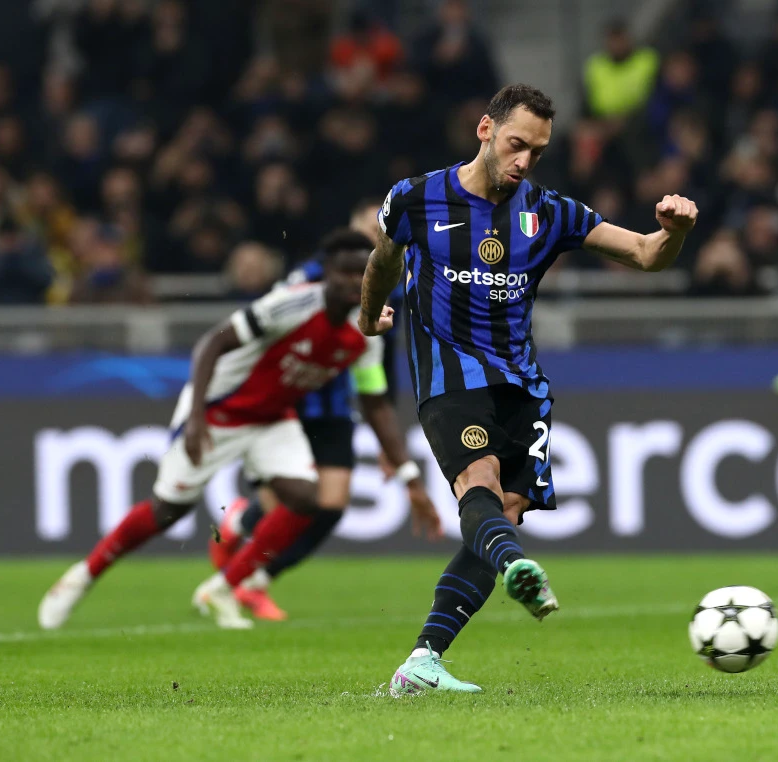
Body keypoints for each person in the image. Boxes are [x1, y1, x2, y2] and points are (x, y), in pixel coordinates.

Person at [359, 83, 698, 693]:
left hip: (522, 386)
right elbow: (383, 260)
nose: (525, 162)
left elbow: (647, 256)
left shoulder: (549, 212)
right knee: (479, 483)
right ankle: (516, 566)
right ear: (485, 131)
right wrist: (367, 318)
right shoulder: (415, 199)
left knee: (505, 512)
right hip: (449, 376)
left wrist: (673, 230)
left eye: (537, 152)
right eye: (517, 145)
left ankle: (422, 662)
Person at [38, 229, 441, 631]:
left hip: (272, 418)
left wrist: (408, 476)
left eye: (363, 273)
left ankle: (223, 588)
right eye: (346, 273)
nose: (355, 283)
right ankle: (81, 576)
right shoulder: (291, 305)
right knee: (167, 511)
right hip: (218, 410)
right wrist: (195, 418)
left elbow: (374, 403)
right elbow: (212, 344)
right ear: (326, 274)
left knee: (305, 497)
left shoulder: (366, 329)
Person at [210, 225, 434, 621]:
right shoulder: (306, 281)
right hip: (287, 404)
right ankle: (241, 530)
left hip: (334, 408)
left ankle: (253, 580)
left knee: (330, 506)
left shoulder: (384, 279)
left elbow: (378, 363)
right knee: (284, 506)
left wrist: (396, 453)